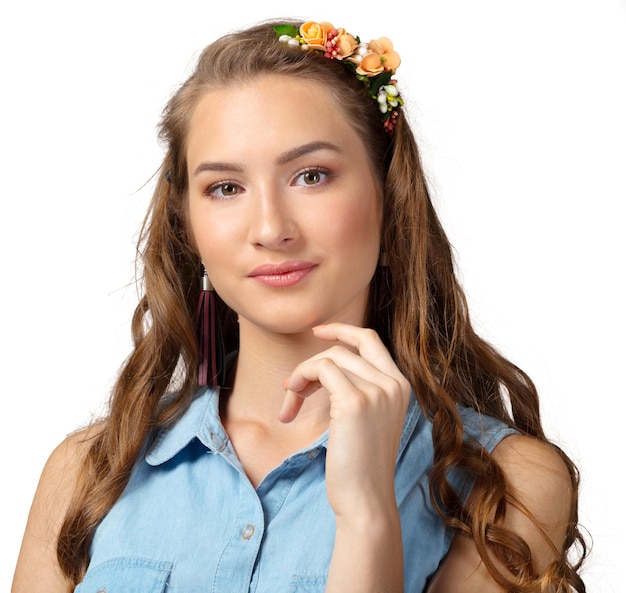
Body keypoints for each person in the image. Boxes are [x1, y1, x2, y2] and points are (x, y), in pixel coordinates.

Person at [12, 18, 587, 593]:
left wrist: (366, 515)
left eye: (312, 176)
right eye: (225, 188)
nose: (269, 228)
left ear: (390, 200)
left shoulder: (507, 485)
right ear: (188, 226)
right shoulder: (89, 472)